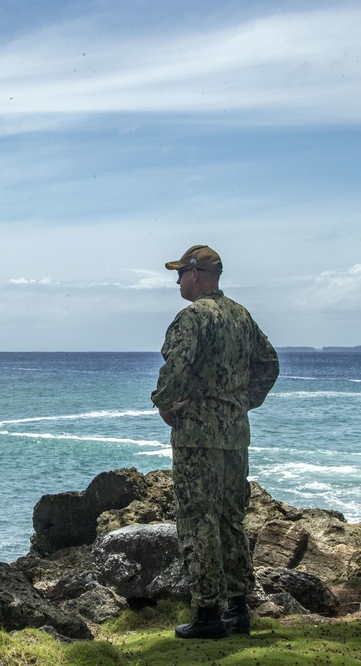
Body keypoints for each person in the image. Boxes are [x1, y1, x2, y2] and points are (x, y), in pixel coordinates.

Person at [151, 244, 279, 640]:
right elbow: (269, 363)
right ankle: (238, 609)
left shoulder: (193, 318)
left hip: (197, 434)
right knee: (230, 518)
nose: (176, 280)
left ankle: (207, 612)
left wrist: (164, 403)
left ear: (195, 275)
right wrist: (242, 402)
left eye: (180, 273)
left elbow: (175, 367)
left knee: (197, 518)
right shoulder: (240, 315)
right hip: (234, 433)